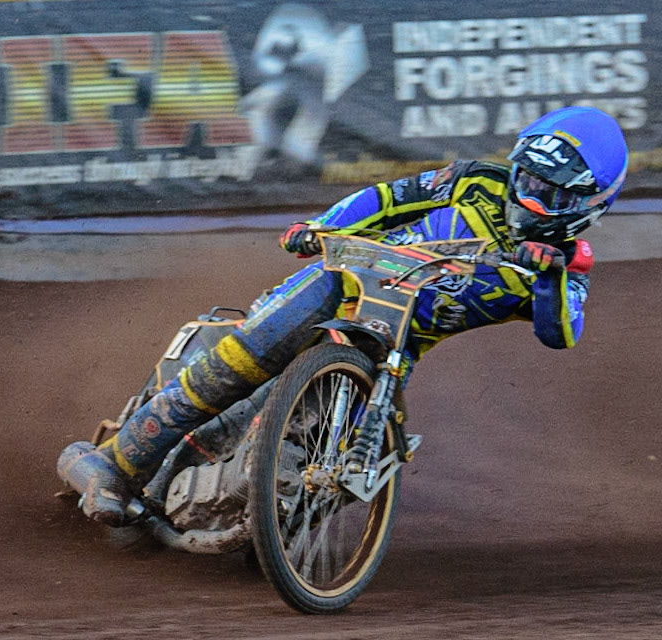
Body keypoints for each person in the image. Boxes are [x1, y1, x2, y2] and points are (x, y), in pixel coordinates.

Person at [58, 105, 627, 525]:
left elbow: (562, 333)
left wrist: (550, 269)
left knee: (333, 458)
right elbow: (386, 199)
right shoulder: (475, 180)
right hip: (342, 281)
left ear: (589, 206)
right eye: (527, 179)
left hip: (390, 350)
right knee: (248, 361)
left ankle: (274, 525)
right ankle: (120, 462)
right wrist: (321, 228)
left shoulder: (564, 273)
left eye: (550, 193)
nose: (530, 198)